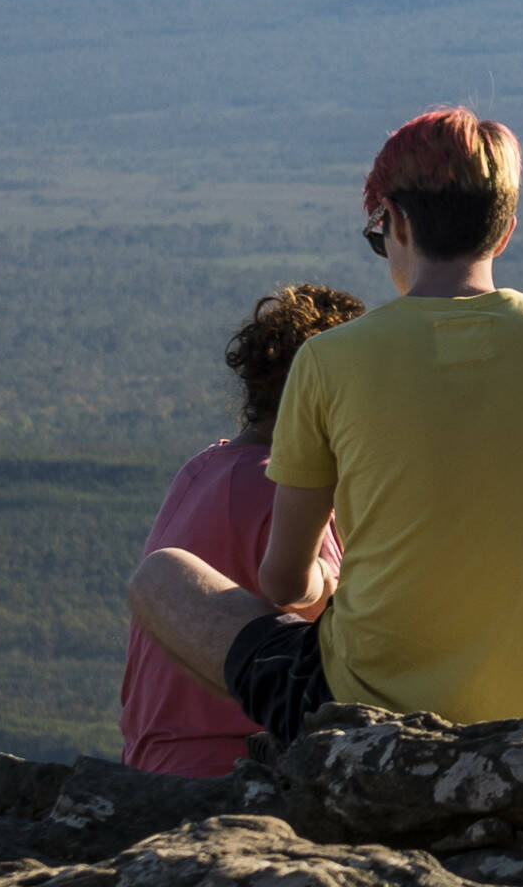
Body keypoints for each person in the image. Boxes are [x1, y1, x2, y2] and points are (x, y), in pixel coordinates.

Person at [123, 106, 523, 753]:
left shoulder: (329, 359)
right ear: (505, 232)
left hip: (364, 715)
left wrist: (331, 588)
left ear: (397, 222)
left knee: (160, 578)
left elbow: (284, 583)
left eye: (378, 232)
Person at [116, 282, 365, 779]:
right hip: (232, 768)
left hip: (153, 761)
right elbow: (346, 638)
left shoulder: (203, 468)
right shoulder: (289, 493)